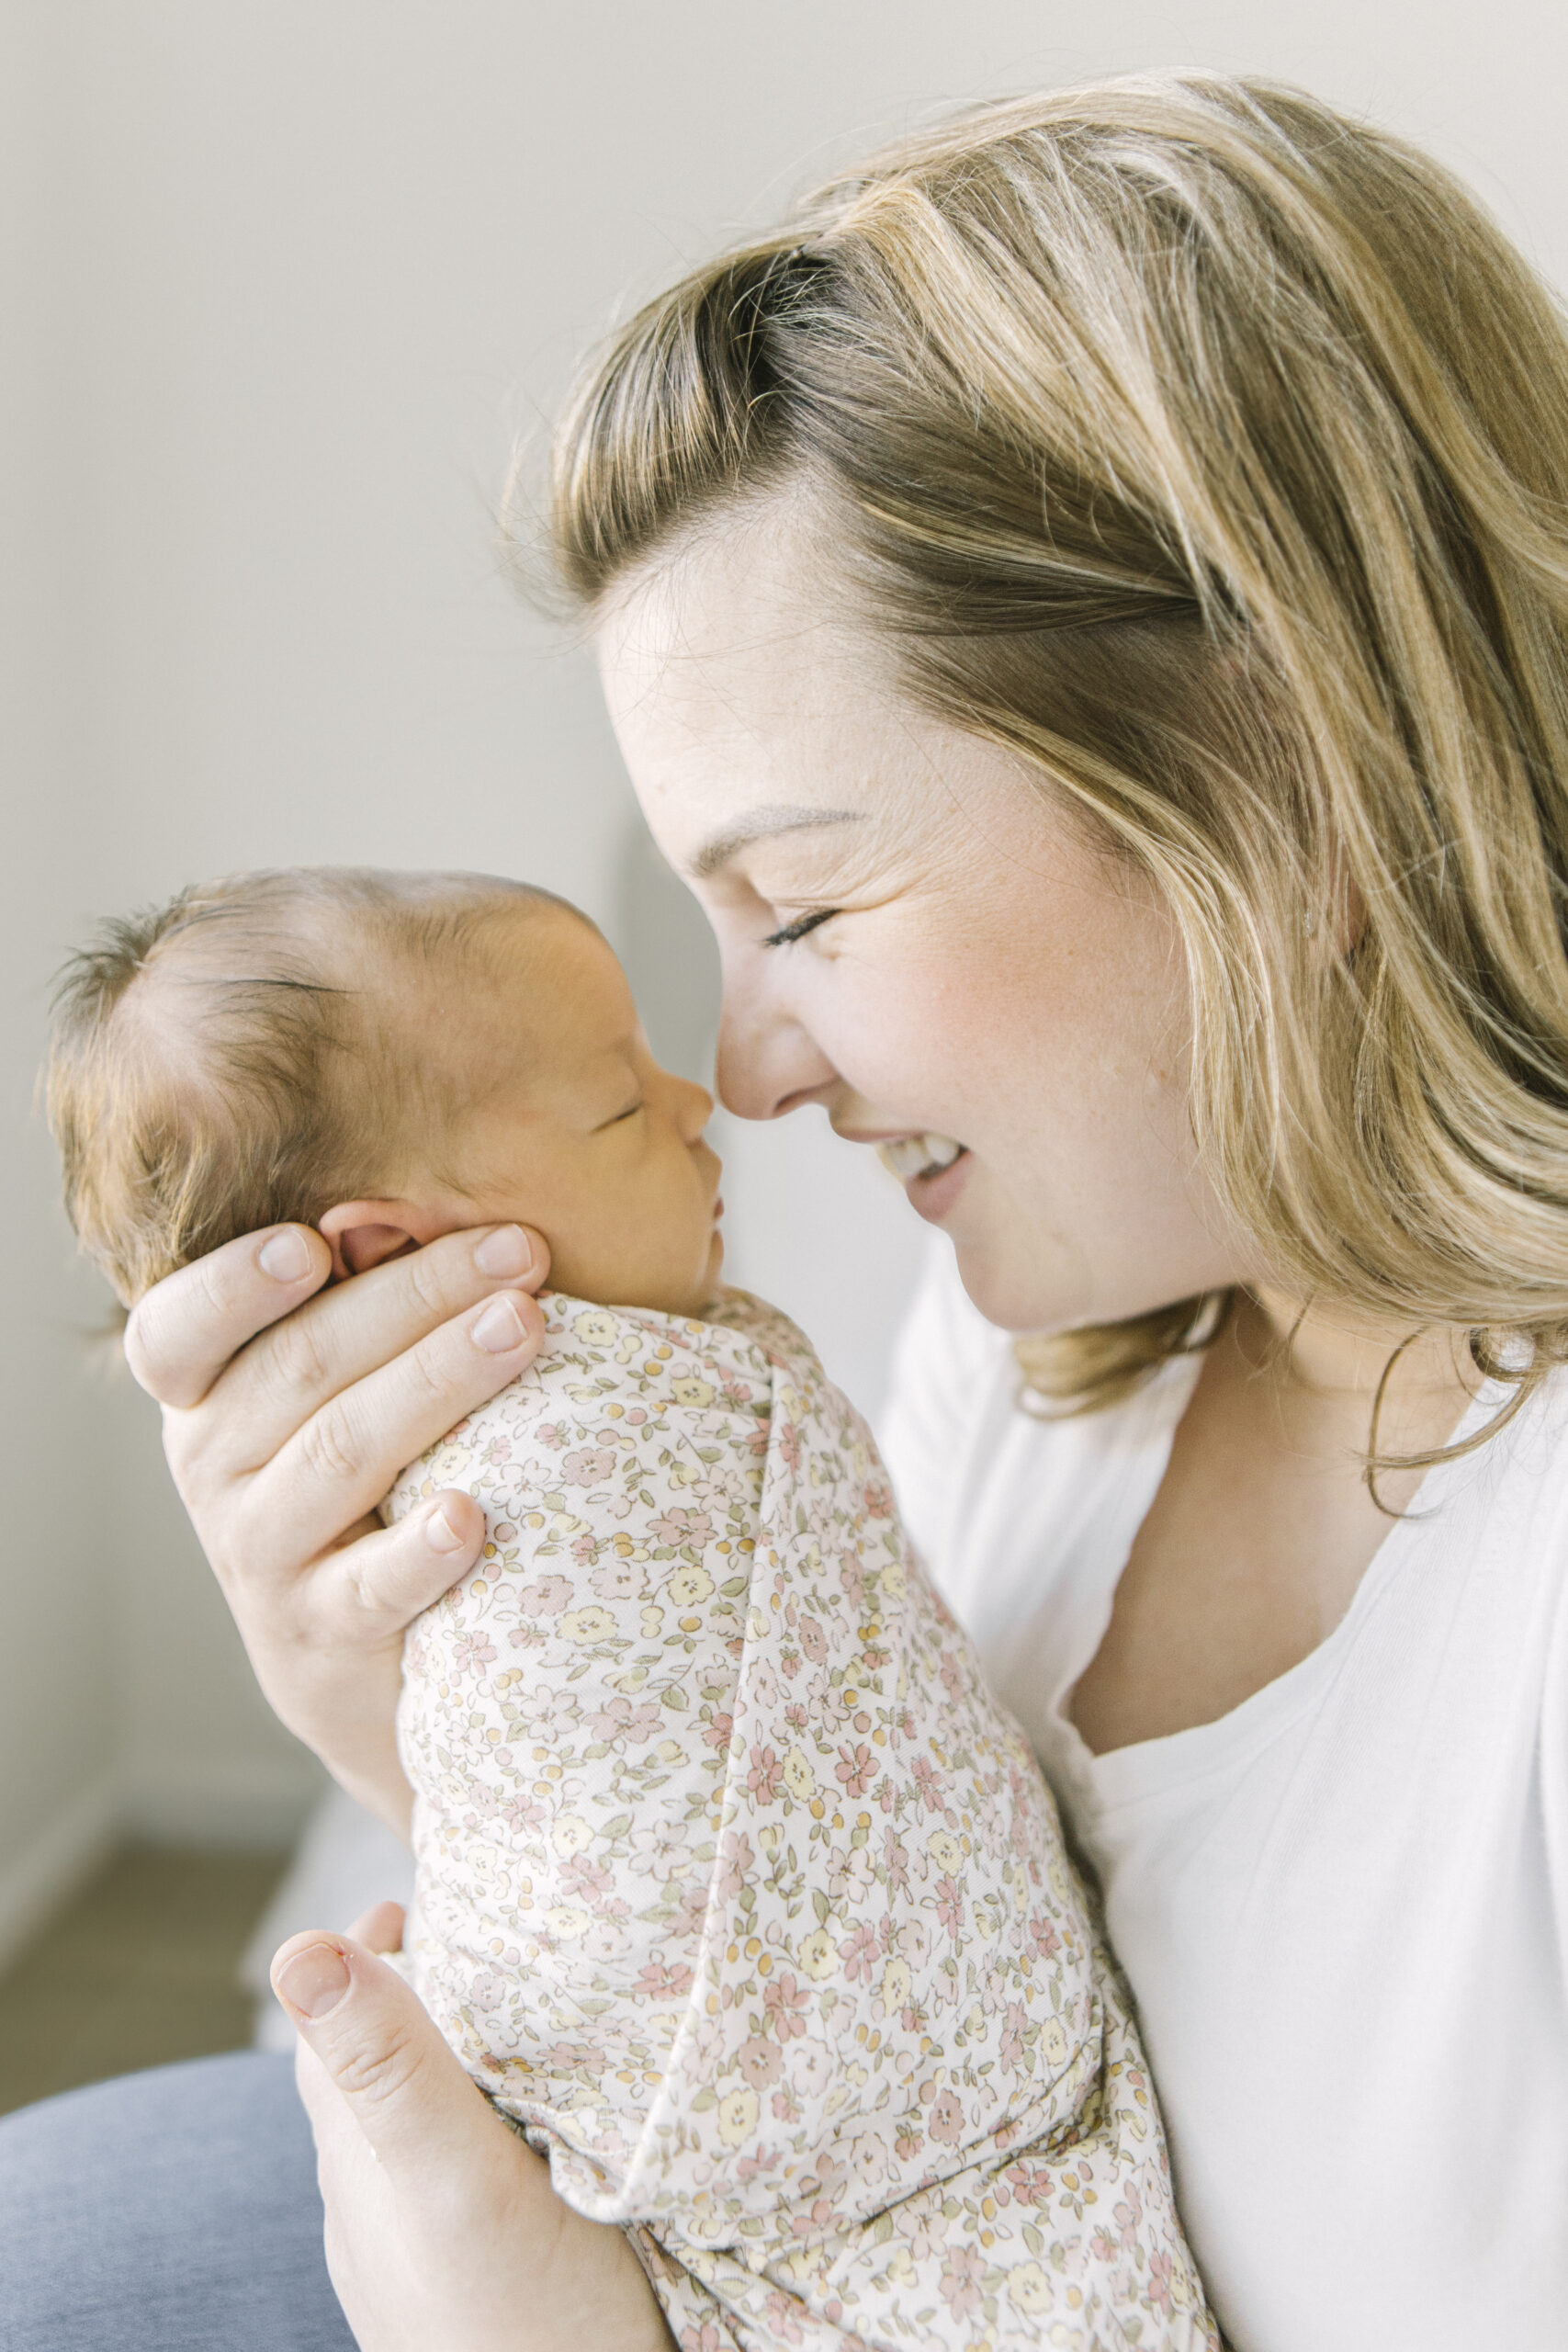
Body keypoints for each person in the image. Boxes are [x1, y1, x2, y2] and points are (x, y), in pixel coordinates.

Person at [6, 64, 1568, 2352]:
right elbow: (804, 2011)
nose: (739, 1071)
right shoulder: (1036, 1357)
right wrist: (426, 1709)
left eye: (807, 905)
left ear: (1282, 776)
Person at [42, 864, 1214, 2348]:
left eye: (811, 905)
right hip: (707, 2102)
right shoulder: (531, 1435)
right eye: (618, 1105)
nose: (703, 1098)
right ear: (399, 1252)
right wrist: (362, 1728)